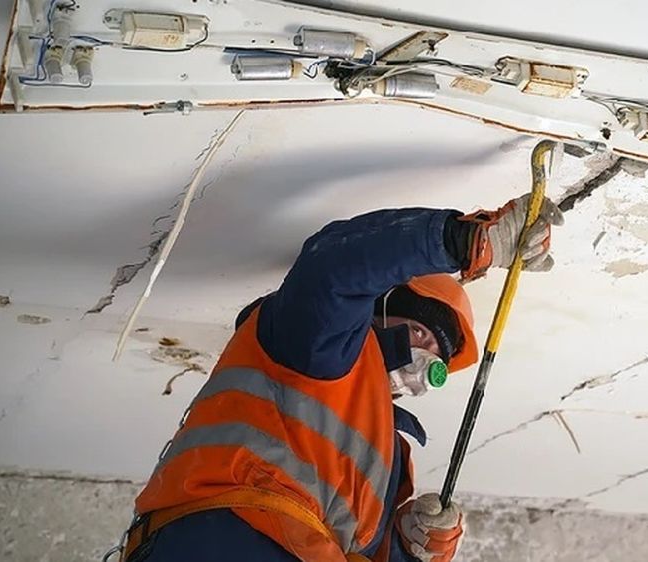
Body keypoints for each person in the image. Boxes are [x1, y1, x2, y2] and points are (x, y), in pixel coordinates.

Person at [119, 193, 564, 562]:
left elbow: (355, 550)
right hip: (231, 536)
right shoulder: (319, 345)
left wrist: (408, 545)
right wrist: (463, 240)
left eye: (439, 356)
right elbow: (333, 267)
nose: (426, 357)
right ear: (380, 306)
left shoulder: (388, 451)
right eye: (420, 331)